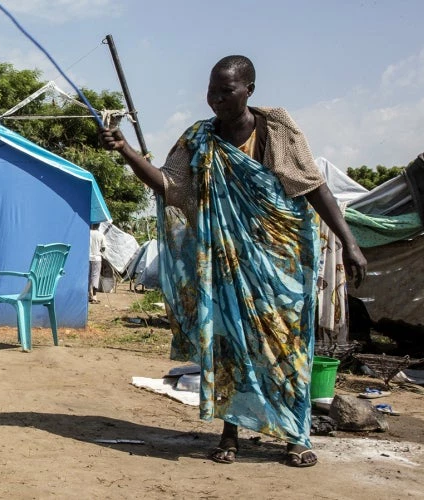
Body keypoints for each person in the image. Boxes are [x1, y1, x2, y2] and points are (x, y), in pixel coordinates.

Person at [99, 55, 366, 468]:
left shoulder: (276, 129)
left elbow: (314, 187)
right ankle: (230, 433)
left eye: (227, 91)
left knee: (285, 346)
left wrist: (350, 243)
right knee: (229, 347)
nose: (217, 99)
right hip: (224, 264)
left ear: (249, 91)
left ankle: (295, 435)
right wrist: (126, 151)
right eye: (212, 91)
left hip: (280, 261)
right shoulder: (199, 141)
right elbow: (171, 188)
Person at [88, 223, 106, 303]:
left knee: (88, 276)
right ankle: (94, 296)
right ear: (98, 226)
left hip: (87, 258)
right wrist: (99, 251)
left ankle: (89, 295)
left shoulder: (87, 233)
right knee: (95, 277)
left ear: (91, 225)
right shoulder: (101, 235)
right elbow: (103, 248)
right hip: (97, 258)